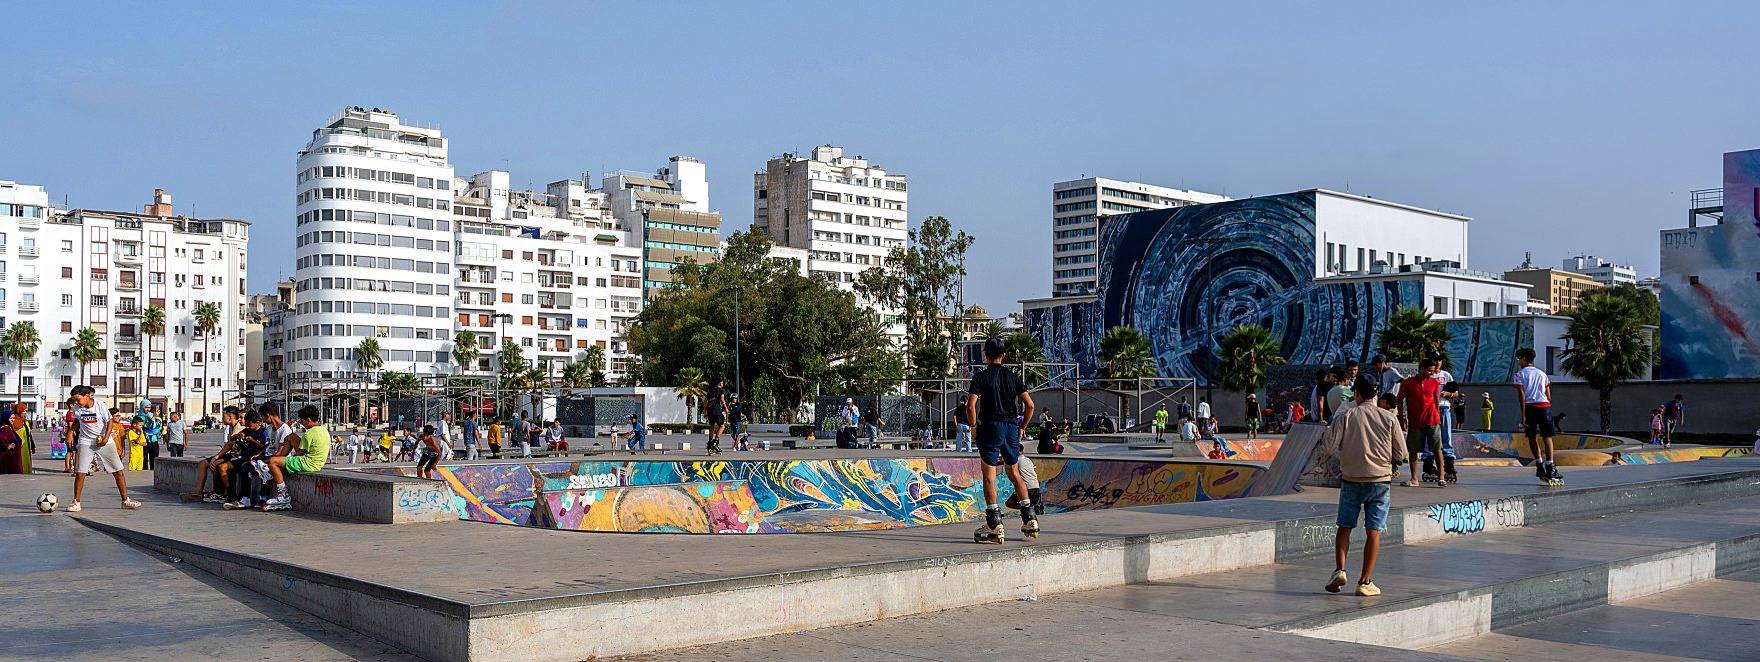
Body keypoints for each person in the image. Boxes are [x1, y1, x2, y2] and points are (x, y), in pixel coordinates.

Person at [1323, 378, 1406, 597]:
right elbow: (1401, 454)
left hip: (1351, 479)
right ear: (1375, 395)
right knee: (1373, 531)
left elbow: (1329, 447)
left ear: (1357, 395)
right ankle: (1365, 581)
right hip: (1380, 481)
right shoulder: (1389, 418)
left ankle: (1340, 570)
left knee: (1344, 526)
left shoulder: (1346, 416)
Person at [966, 337, 1038, 544]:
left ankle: (994, 523)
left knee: (989, 475)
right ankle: (1029, 517)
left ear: (985, 356)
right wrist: (1022, 427)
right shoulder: (1012, 377)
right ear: (1003, 356)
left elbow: (971, 406)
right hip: (1010, 428)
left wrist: (973, 427)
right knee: (1013, 472)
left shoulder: (980, 377)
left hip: (990, 426)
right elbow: (1030, 405)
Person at [67, 385, 141, 512]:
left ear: (86, 396)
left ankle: (125, 500)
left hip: (104, 441)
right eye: (74, 400)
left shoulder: (99, 405)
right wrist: (70, 432)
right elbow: (77, 421)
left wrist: (106, 438)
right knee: (81, 472)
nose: (76, 402)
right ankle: (76, 502)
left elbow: (110, 422)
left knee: (118, 471)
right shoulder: (77, 409)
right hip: (86, 441)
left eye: (78, 399)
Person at [263, 405, 332, 511]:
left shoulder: (309, 434)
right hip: (317, 462)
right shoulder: (323, 430)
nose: (301, 423)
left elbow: (299, 453)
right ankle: (277, 461)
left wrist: (288, 462)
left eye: (302, 420)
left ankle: (283, 494)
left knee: (272, 462)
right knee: (291, 437)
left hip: (309, 463)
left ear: (308, 420)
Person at [1512, 347, 1561, 484]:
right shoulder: (1542, 374)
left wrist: (1523, 415)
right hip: (1544, 407)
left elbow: (1521, 396)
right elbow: (1548, 395)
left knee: (1532, 437)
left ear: (1523, 358)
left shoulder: (1519, 375)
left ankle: (1539, 464)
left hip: (1530, 407)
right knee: (1547, 437)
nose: (1518, 362)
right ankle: (1550, 465)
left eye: (1519, 359)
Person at [1397, 358, 1446, 487]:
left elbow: (1436, 400)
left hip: (1432, 420)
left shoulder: (1434, 382)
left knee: (1437, 448)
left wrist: (1438, 418)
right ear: (1422, 369)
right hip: (1415, 421)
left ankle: (1441, 477)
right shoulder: (1407, 383)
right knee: (1413, 450)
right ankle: (1414, 478)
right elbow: (1400, 399)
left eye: (1433, 371)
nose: (1432, 373)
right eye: (1429, 371)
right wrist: (1402, 419)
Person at [705, 378, 728, 447]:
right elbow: (722, 400)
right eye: (722, 383)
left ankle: (710, 441)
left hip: (710, 410)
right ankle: (716, 440)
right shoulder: (721, 390)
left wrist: (705, 412)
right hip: (717, 411)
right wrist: (726, 408)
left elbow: (706, 402)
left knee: (712, 426)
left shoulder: (710, 390)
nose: (723, 384)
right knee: (722, 426)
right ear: (720, 383)